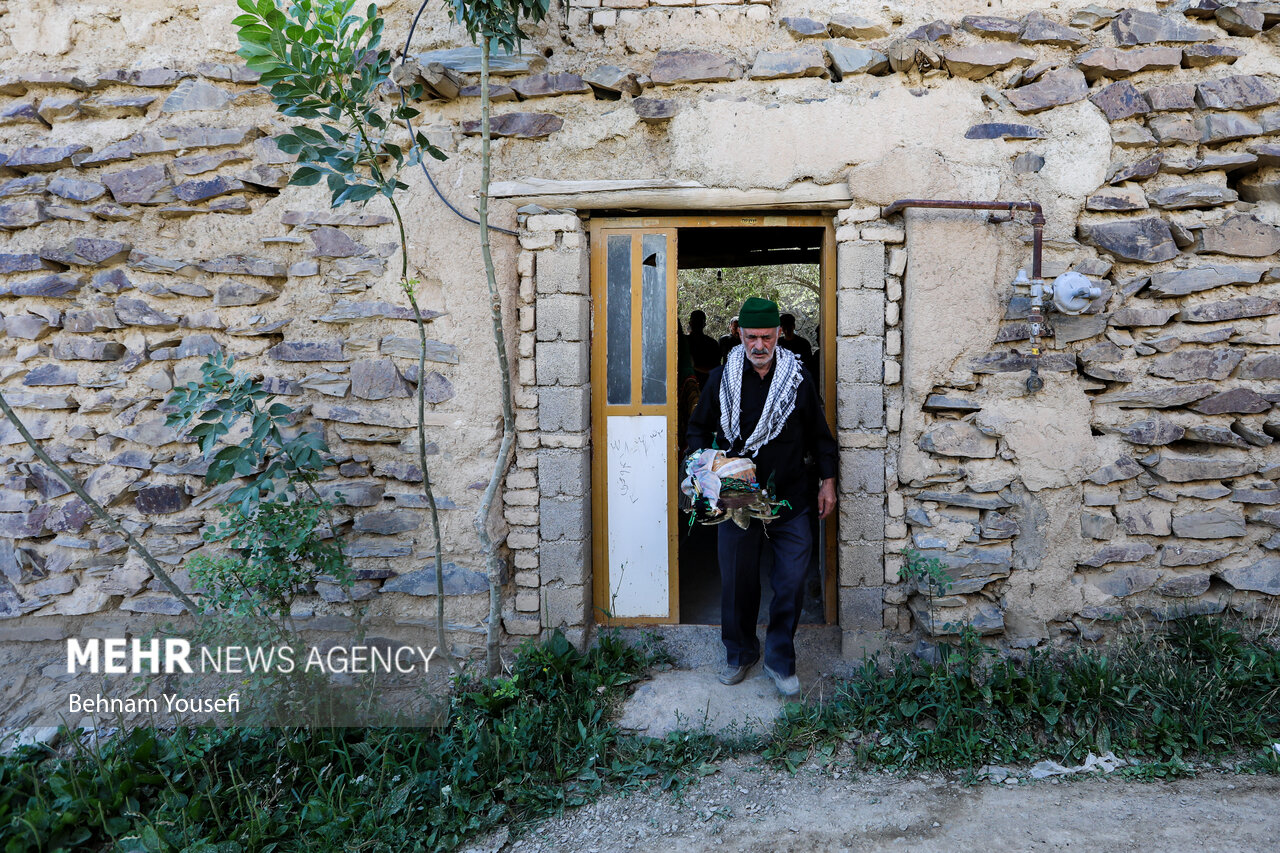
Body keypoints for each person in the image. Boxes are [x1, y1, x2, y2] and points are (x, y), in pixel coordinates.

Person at [686, 297, 837, 698]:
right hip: (736, 497)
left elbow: (821, 436)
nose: (758, 345)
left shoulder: (797, 379)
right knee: (737, 579)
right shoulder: (721, 378)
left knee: (790, 579)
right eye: (751, 336)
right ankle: (740, 653)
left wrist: (828, 481)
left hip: (790, 495)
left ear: (779, 336)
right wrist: (711, 465)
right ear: (739, 334)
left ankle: (779, 658)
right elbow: (696, 433)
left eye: (766, 337)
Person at [687, 310, 721, 388]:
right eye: (695, 321)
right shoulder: (683, 342)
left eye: (698, 322)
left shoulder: (712, 344)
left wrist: (694, 366)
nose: (696, 324)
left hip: (705, 386)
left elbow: (715, 369)